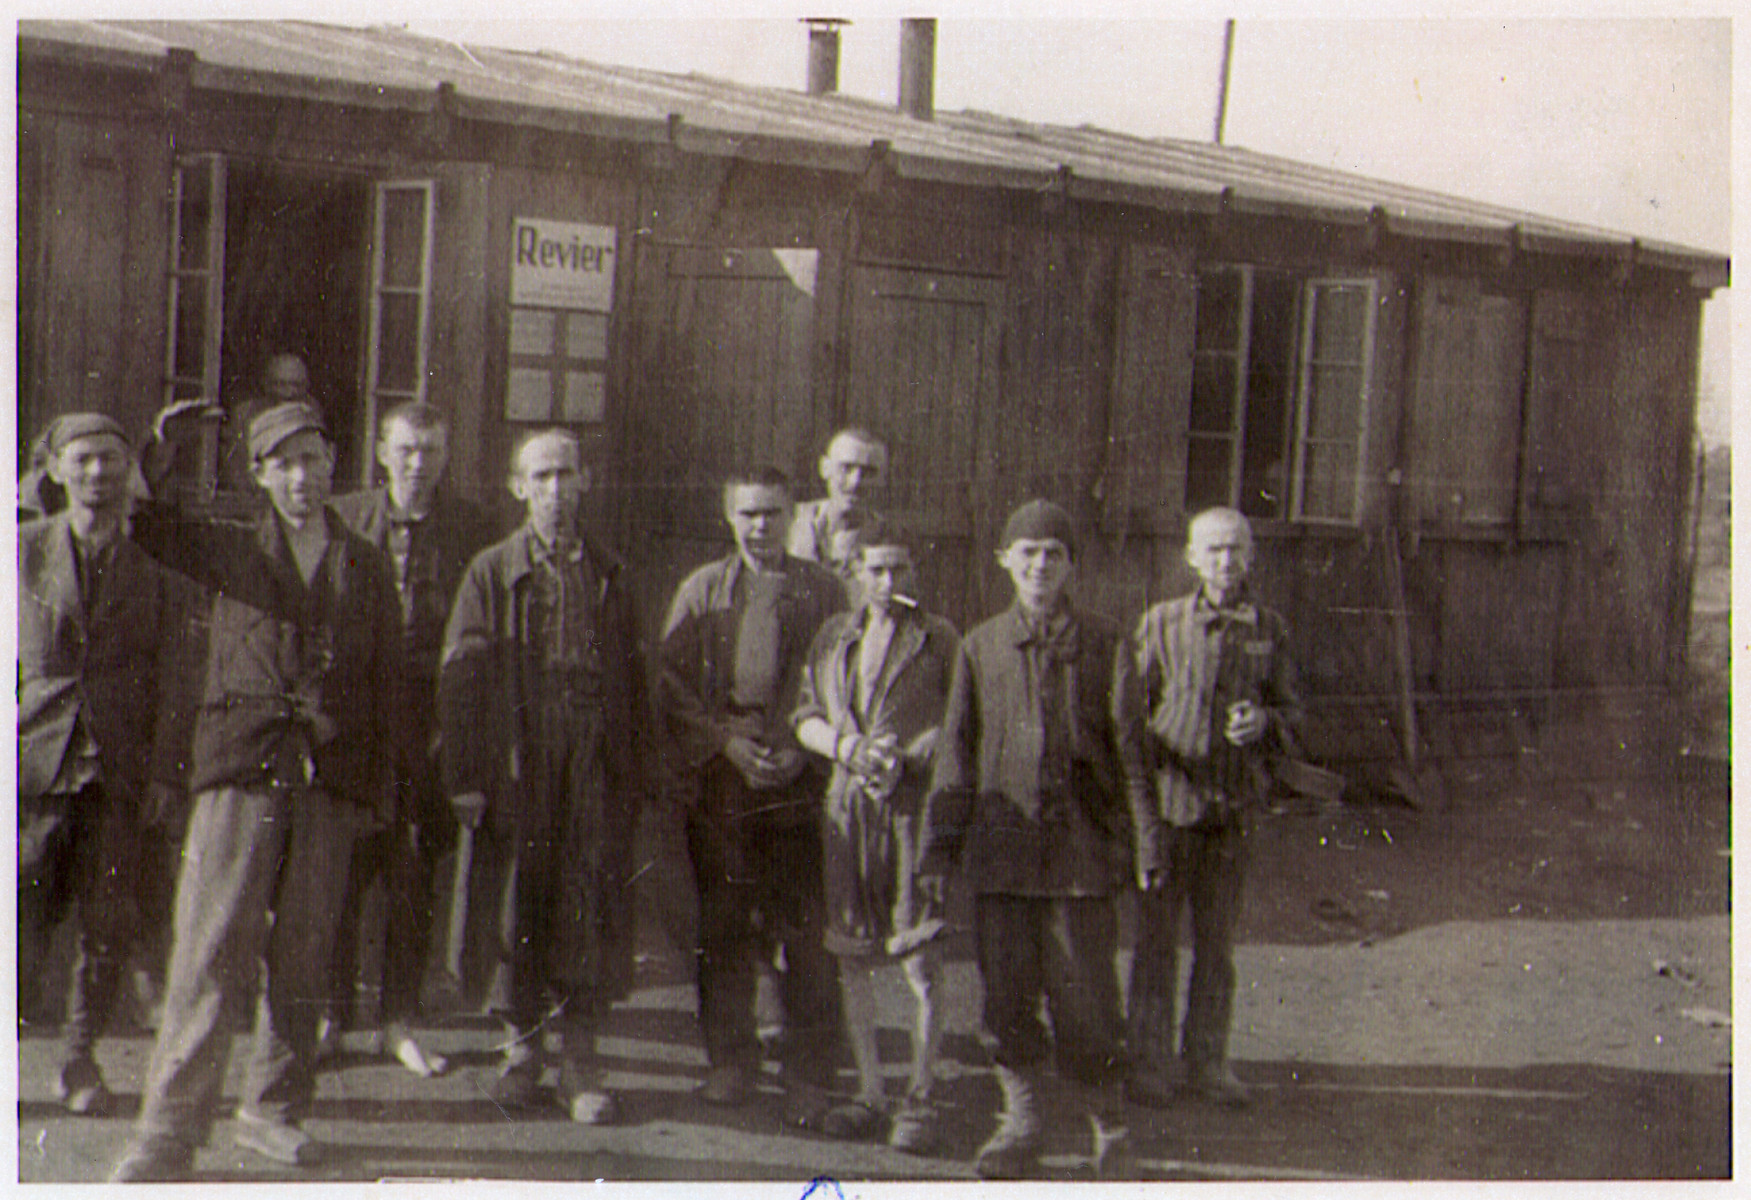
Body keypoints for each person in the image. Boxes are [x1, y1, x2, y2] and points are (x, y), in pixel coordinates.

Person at [110, 401, 401, 1181]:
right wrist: (157, 454)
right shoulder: (233, 548)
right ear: (260, 475)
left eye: (314, 459)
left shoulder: (366, 563)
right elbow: (145, 525)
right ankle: (167, 1133)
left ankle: (272, 1111)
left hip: (328, 781)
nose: (303, 478)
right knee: (208, 952)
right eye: (285, 464)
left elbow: (384, 681)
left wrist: (371, 784)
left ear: (333, 462)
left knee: (304, 954)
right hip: (241, 771)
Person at [920, 499, 1147, 1180]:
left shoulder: (1106, 642)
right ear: (1005, 561)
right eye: (1027, 552)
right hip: (1002, 856)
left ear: (1072, 564)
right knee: (1006, 996)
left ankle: (1109, 1128)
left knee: (1085, 999)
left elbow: (1132, 752)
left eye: (1054, 552)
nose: (1040, 564)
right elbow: (955, 753)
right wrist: (939, 845)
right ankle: (1020, 1124)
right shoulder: (981, 644)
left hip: (1080, 856)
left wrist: (1147, 842)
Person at [438, 429, 653, 1123]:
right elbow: (462, 677)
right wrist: (467, 774)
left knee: (585, 894)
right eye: (541, 476)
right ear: (517, 487)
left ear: (585, 481)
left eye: (566, 474)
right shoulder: (492, 571)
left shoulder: (612, 574)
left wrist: (632, 771)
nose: (555, 489)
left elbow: (635, 680)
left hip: (591, 752)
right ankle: (522, 1052)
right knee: (516, 898)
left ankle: (579, 1058)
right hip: (519, 756)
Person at [658, 468, 847, 1128]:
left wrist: (803, 741)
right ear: (728, 516)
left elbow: (843, 678)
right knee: (725, 923)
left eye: (771, 513)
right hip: (726, 774)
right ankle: (730, 1060)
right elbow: (670, 682)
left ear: (794, 513)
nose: (759, 526)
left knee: (805, 930)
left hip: (798, 772)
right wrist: (722, 740)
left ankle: (807, 1073)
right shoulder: (703, 589)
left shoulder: (824, 591)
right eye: (748, 514)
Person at [18, 414, 194, 1116]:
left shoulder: (153, 571)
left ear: (131, 474)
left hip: (119, 775)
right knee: (20, 915)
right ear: (56, 470)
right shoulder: (21, 552)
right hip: (33, 767)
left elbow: (176, 679)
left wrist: (165, 775)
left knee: (107, 924)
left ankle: (79, 1061)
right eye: (85, 460)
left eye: (112, 462)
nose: (99, 474)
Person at [325, 402, 497, 1077]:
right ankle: (333, 1014)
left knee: (413, 874)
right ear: (381, 453)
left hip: (430, 723)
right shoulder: (345, 519)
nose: (417, 464)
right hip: (356, 719)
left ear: (445, 456)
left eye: (430, 450)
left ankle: (399, 1019)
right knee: (339, 866)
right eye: (405, 450)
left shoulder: (474, 529)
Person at [1125, 506, 1303, 1110]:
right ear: (1192, 558)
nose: (1226, 561)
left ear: (1251, 557)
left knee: (1216, 946)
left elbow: (1294, 711)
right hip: (1172, 812)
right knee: (1154, 944)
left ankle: (1207, 1062)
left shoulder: (1268, 628)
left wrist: (1266, 722)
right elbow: (1131, 714)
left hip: (1231, 815)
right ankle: (1148, 1061)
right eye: (1214, 550)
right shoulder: (1164, 623)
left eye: (1236, 549)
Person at [791, 530, 958, 1150]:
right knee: (853, 953)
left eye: (899, 569)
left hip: (913, 810)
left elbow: (960, 723)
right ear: (855, 573)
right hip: (848, 805)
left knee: (920, 954)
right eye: (876, 571)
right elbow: (803, 715)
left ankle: (920, 1094)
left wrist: (918, 750)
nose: (889, 584)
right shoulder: (833, 636)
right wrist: (846, 747)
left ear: (914, 571)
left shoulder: (938, 640)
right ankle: (869, 1090)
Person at [786, 427, 889, 581]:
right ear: (825, 468)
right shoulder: (788, 521)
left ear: (882, 479)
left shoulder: (888, 538)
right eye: (846, 468)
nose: (855, 482)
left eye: (869, 473)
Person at [219, 352, 319, 498]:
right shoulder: (245, 414)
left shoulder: (312, 413)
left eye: (297, 385)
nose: (289, 393)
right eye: (280, 384)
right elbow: (235, 466)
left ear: (306, 386)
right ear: (265, 384)